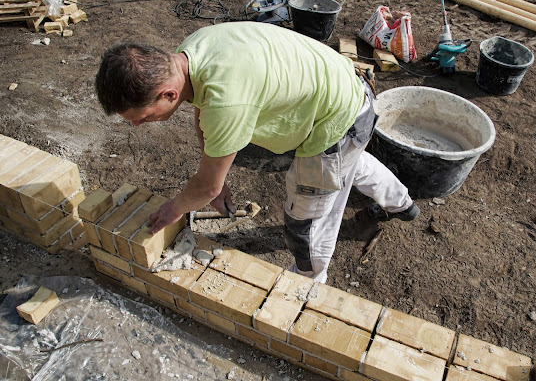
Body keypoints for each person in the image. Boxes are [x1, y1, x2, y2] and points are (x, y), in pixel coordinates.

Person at [95, 21, 418, 283]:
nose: (139, 125)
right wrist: (215, 181)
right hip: (340, 91)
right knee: (345, 162)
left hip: (339, 118)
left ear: (168, 93)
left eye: (142, 117)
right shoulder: (193, 50)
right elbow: (203, 110)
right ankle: (401, 204)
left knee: (307, 216)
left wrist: (176, 208)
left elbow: (206, 184)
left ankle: (307, 281)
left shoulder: (227, 101)